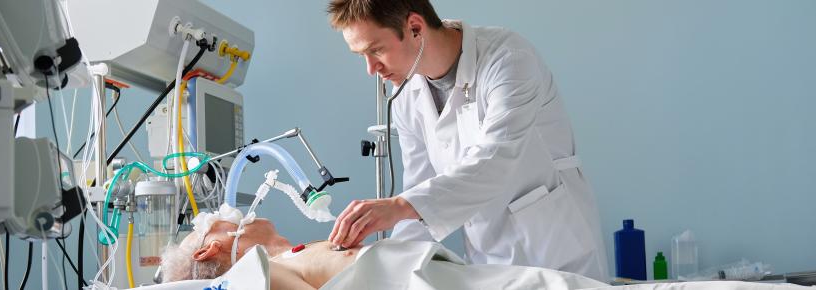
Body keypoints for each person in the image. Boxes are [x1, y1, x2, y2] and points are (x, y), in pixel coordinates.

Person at [325, 0, 609, 280]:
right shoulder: (408, 94)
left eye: (376, 50)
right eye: (361, 55)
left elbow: (495, 161)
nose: (371, 69)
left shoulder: (509, 60)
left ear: (414, 27)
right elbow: (420, 188)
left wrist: (398, 206)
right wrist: (385, 267)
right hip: (488, 261)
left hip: (556, 253)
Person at [159, 217, 361, 290]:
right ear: (209, 249)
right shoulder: (270, 274)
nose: (234, 215)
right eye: (213, 222)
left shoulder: (287, 262)